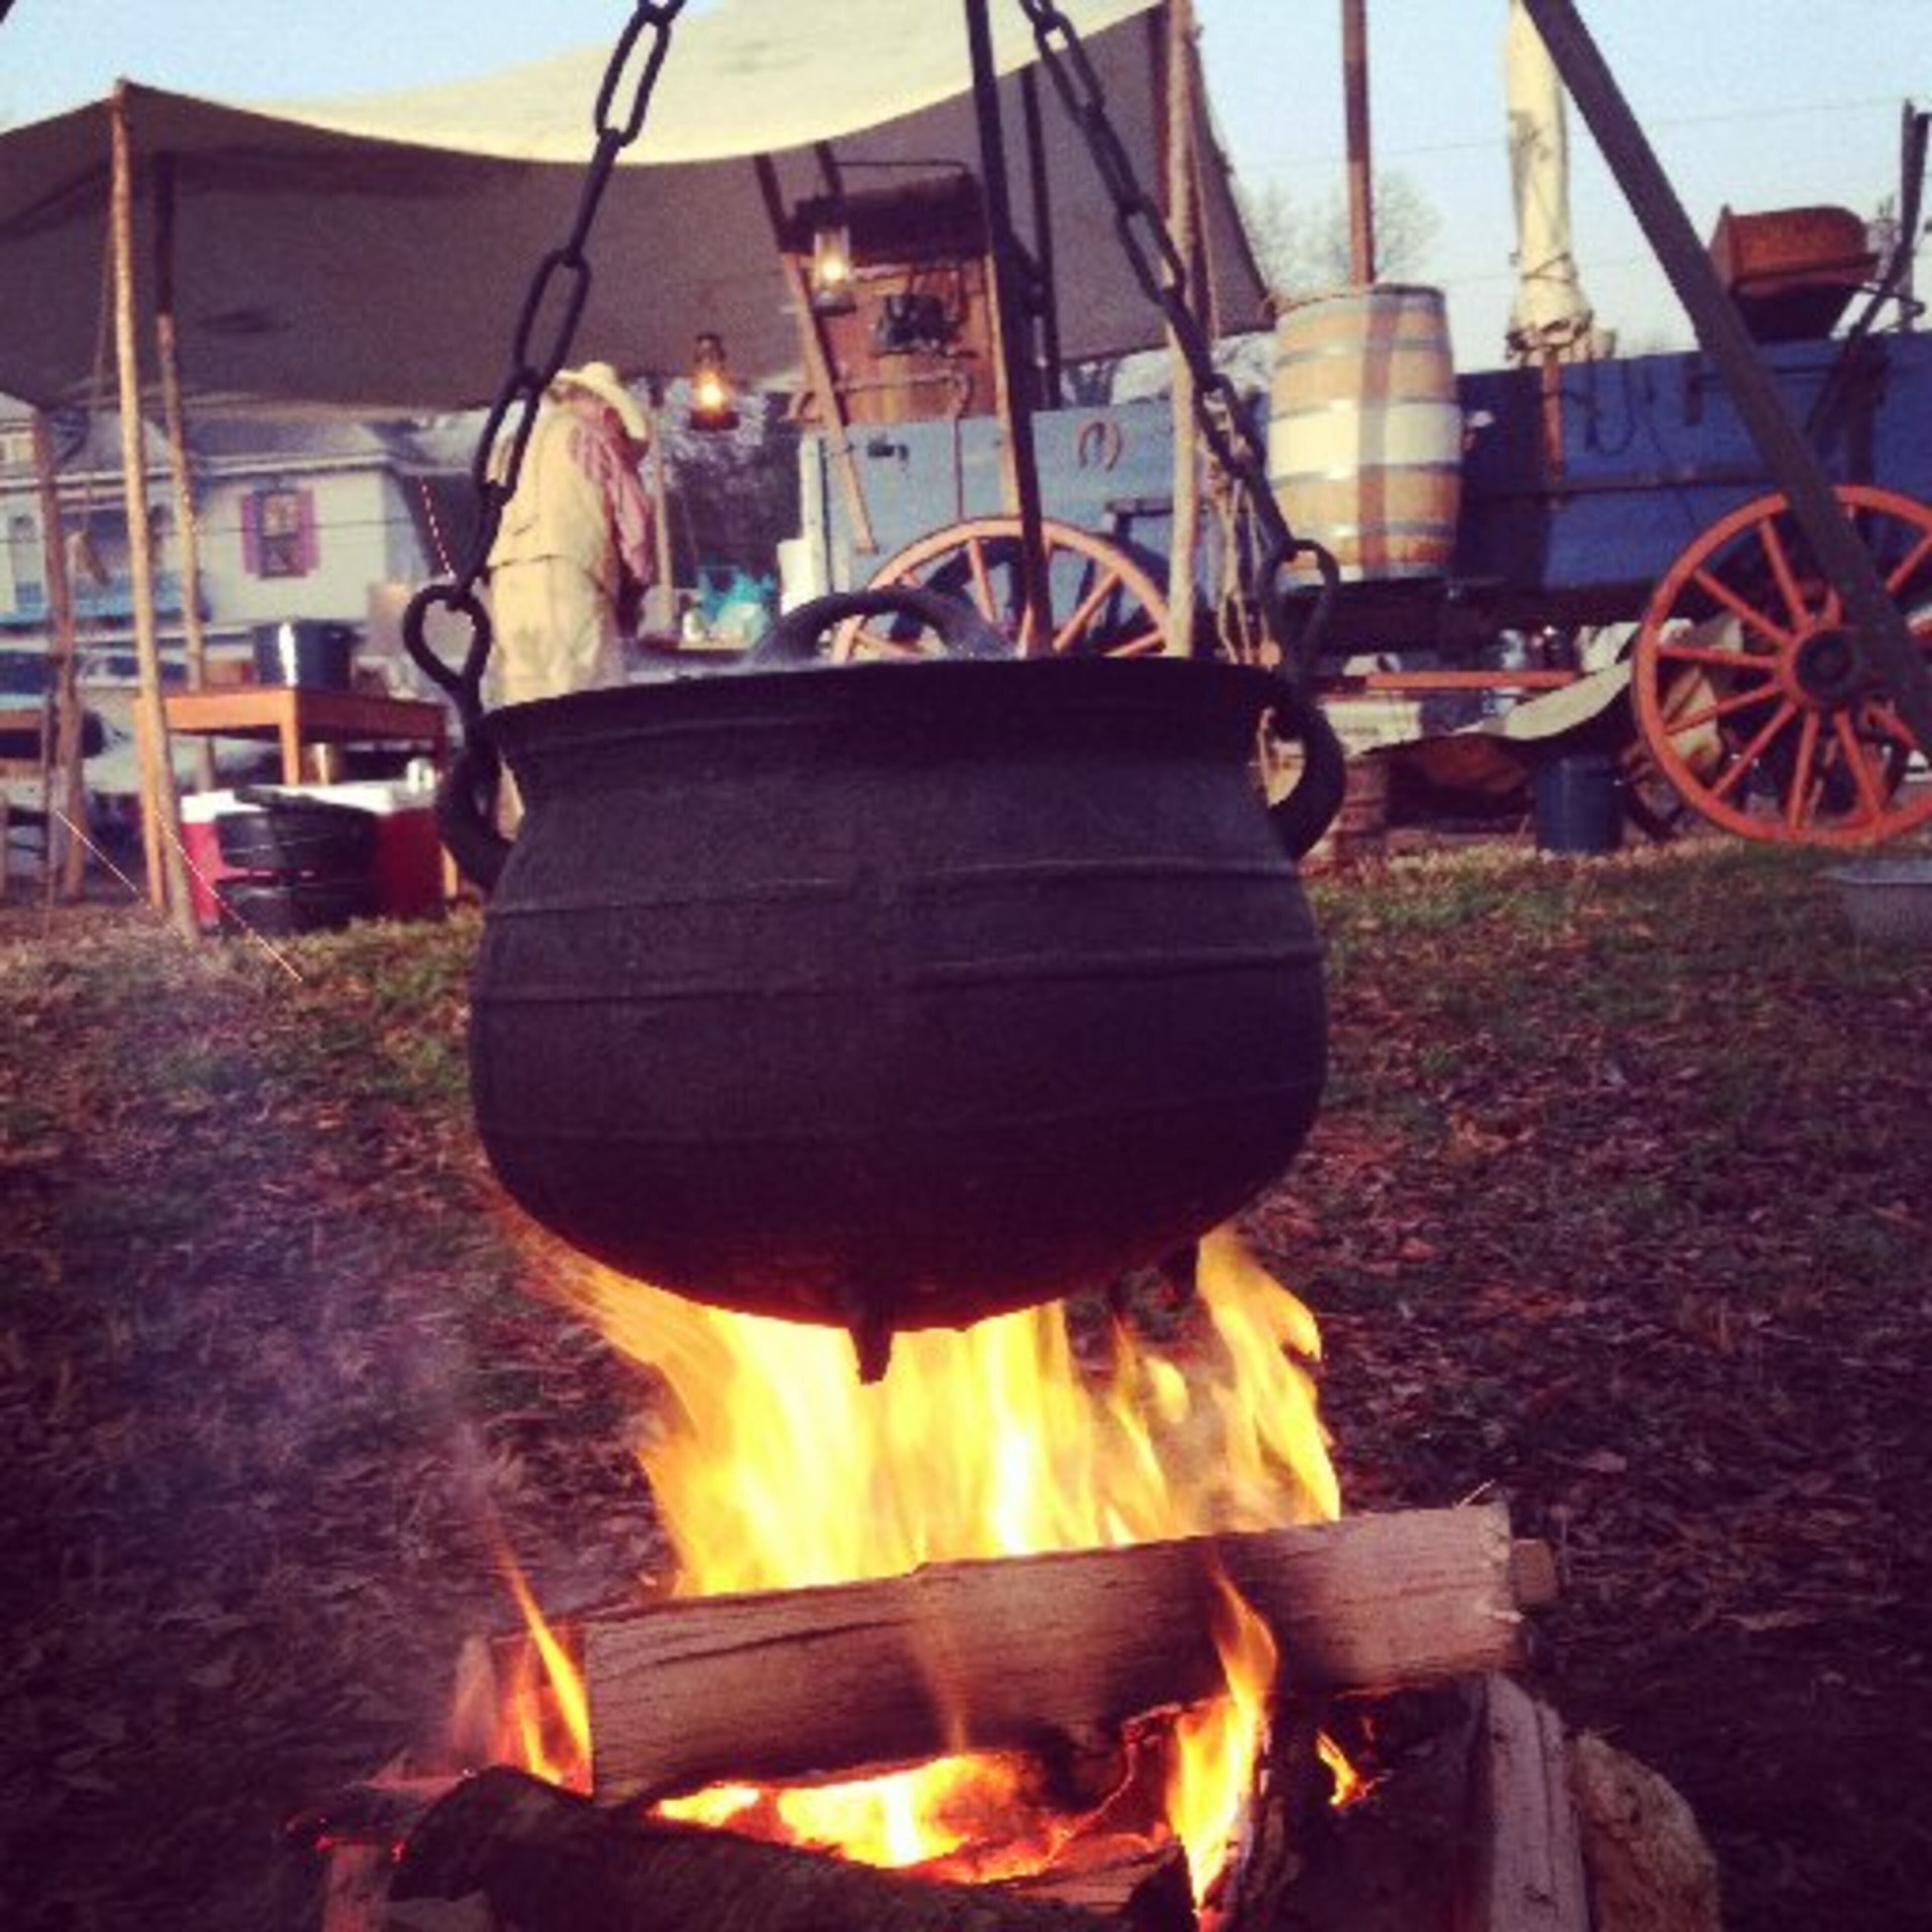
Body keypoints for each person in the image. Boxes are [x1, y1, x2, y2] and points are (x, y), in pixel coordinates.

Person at [482, 360, 656, 709]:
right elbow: (636, 525)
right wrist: (634, 592)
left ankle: (518, 768)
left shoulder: (510, 444)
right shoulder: (596, 437)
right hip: (570, 579)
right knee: (584, 700)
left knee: (520, 704)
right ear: (608, 412)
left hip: (506, 582)